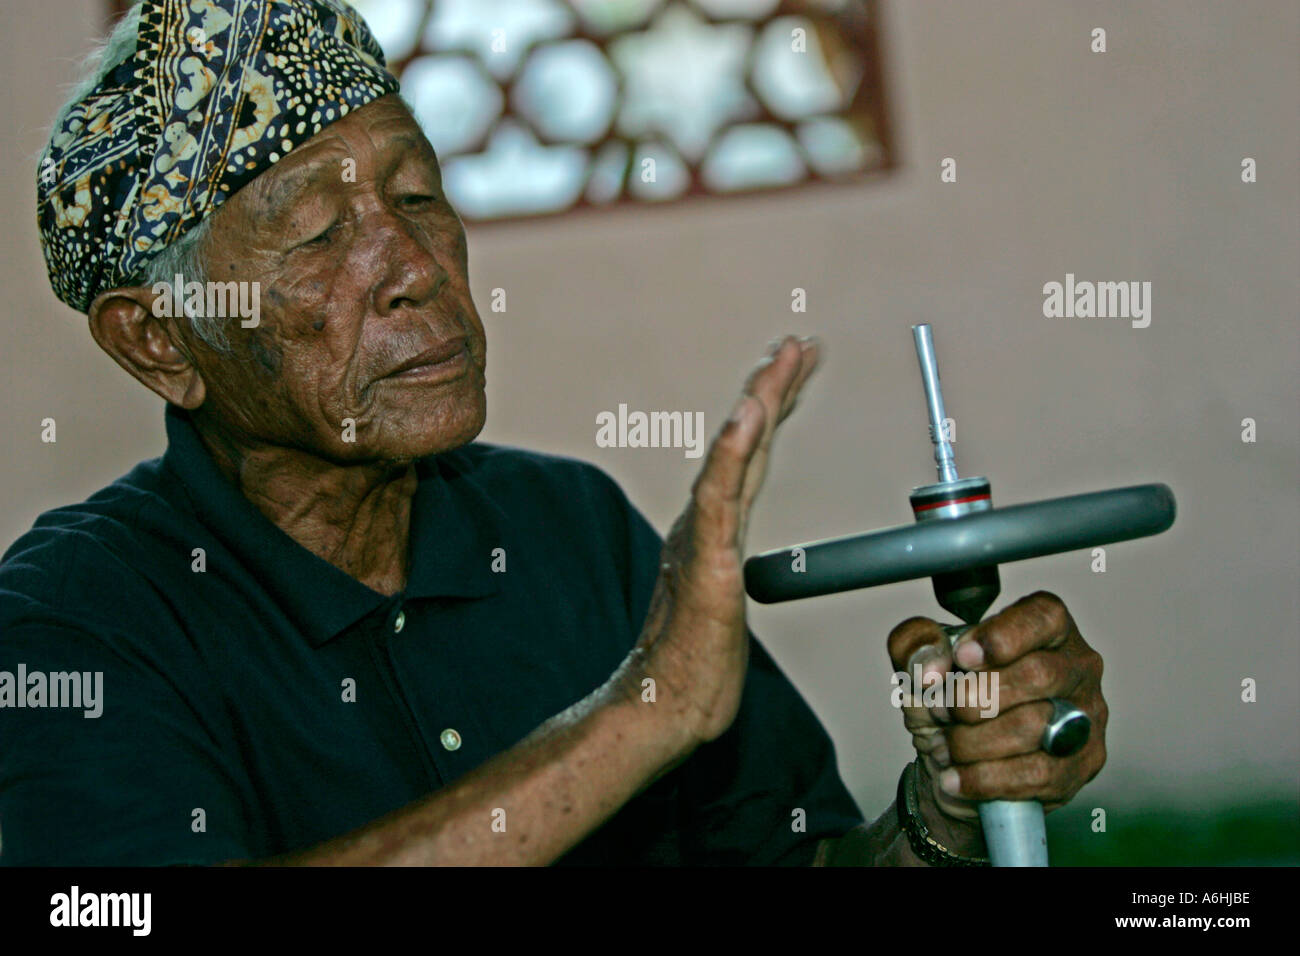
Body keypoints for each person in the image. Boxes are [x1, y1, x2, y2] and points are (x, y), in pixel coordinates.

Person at [0, 0, 1106, 866]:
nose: (416, 270)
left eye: (420, 196)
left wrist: (950, 810)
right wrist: (645, 709)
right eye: (321, 234)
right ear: (160, 342)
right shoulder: (72, 625)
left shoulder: (565, 529)